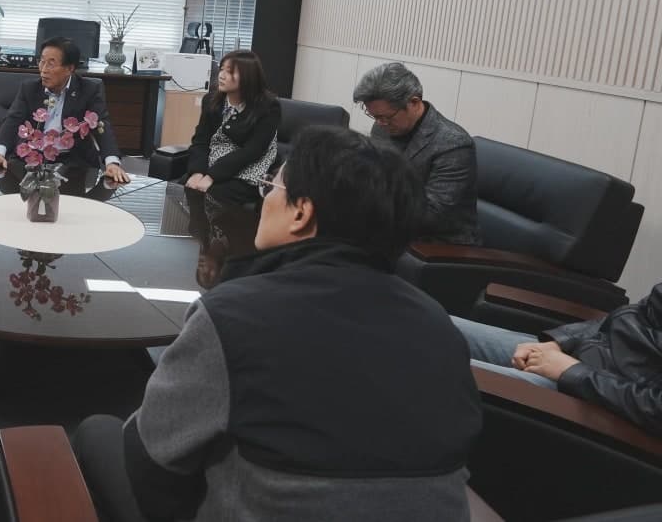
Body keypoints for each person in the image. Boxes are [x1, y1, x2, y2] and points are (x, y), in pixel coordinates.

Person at [73, 126, 482, 522]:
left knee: (98, 432)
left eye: (272, 188)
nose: (265, 199)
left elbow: (152, 467)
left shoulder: (233, 316)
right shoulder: (438, 325)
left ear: (301, 213)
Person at [453, 289, 662, 434]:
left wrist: (572, 372)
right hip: (576, 358)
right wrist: (560, 341)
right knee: (440, 325)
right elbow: (635, 315)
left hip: (598, 398)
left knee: (442, 368)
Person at [353, 61, 479, 244]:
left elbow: (432, 215)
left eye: (386, 117)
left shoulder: (453, 144)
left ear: (413, 102)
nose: (380, 123)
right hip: (390, 228)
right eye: (375, 116)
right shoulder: (382, 127)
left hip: (437, 244)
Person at [0, 36, 129, 184]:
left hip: (74, 163)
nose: (43, 70)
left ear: (70, 68)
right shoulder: (29, 89)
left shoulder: (88, 90)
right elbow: (12, 121)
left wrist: (112, 163)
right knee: (7, 189)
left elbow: (102, 126)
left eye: (51, 64)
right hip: (32, 159)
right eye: (42, 62)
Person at [182, 49, 280, 207]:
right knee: (183, 188)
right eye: (221, 69)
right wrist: (197, 172)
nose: (221, 75)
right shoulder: (211, 101)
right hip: (213, 163)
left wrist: (211, 176)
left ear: (248, 77)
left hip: (248, 170)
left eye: (230, 72)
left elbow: (252, 151)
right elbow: (200, 141)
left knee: (211, 196)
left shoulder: (268, 107)